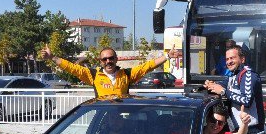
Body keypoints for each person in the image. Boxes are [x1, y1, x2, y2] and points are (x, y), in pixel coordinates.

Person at [40, 44, 180, 97]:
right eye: (104, 59)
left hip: (124, 118)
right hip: (103, 119)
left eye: (111, 58)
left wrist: (167, 56)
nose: (108, 61)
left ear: (116, 59)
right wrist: (52, 57)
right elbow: (71, 68)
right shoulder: (93, 75)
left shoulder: (126, 74)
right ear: (100, 61)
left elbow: (148, 66)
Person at [203, 45, 264, 133]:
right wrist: (210, 85)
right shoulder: (233, 76)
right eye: (227, 59)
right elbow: (220, 85)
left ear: (242, 59)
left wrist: (223, 92)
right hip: (238, 129)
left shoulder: (248, 75)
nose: (229, 62)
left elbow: (246, 100)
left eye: (232, 58)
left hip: (250, 130)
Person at [181, 103, 250, 134]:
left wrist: (244, 123)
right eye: (213, 120)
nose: (216, 125)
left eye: (220, 123)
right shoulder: (193, 131)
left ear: (224, 124)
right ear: (207, 119)